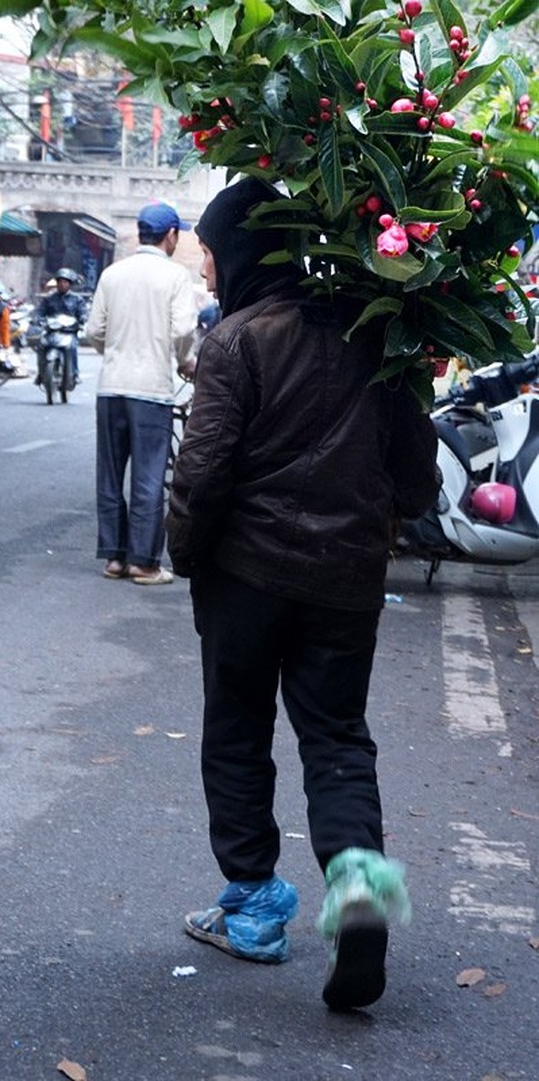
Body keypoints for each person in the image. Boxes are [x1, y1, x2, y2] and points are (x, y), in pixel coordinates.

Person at [165, 177, 438, 1010]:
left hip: (246, 576)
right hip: (347, 582)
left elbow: (202, 469)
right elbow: (420, 483)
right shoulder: (376, 335)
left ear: (242, 251)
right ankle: (357, 878)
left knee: (238, 730)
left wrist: (184, 552)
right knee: (336, 736)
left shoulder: (238, 339)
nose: (206, 272)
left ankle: (251, 906)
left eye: (210, 253)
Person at [85, 202, 197, 586]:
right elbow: (183, 331)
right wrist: (185, 360)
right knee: (149, 478)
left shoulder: (112, 274)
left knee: (110, 474)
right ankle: (144, 562)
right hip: (151, 390)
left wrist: (116, 351)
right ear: (171, 236)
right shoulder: (175, 276)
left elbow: (93, 331)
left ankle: (114, 558)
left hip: (111, 387)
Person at [33, 268, 87, 387]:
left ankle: (75, 374)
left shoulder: (77, 300)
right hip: (51, 331)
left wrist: (82, 318)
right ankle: (41, 373)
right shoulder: (49, 299)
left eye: (65, 282)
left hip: (69, 332)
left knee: (72, 348)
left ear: (70, 284)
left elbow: (83, 312)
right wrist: (37, 318)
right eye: (60, 282)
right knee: (41, 346)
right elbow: (40, 311)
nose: (62, 284)